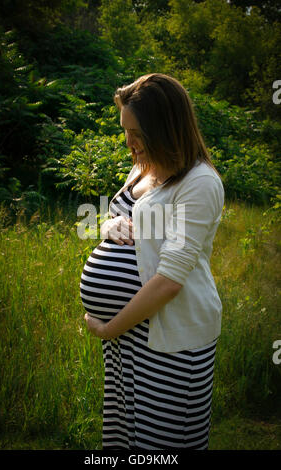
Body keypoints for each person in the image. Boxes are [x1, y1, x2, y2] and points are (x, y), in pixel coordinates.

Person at [80, 73, 224, 450]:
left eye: (136, 132)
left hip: (170, 339)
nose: (128, 143)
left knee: (162, 445)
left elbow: (170, 280)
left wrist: (110, 327)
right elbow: (121, 219)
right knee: (126, 437)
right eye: (124, 131)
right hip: (130, 336)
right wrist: (110, 226)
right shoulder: (144, 166)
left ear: (165, 126)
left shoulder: (199, 183)